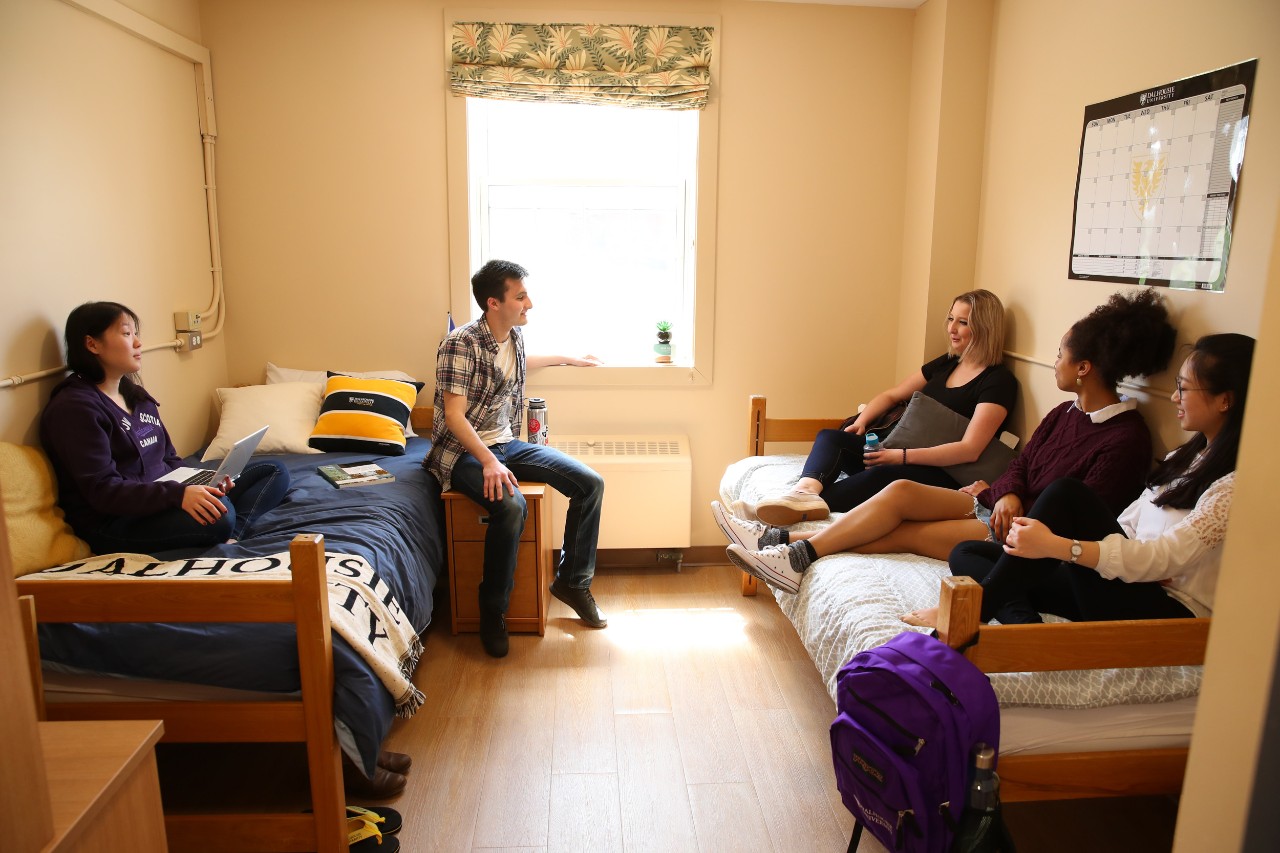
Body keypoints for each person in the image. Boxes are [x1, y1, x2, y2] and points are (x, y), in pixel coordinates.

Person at [714, 288, 1176, 594]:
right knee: (899, 491)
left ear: (1084, 368)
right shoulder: (1064, 414)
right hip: (994, 505)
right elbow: (1021, 466)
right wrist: (1007, 492)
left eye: (1060, 355)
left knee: (902, 533)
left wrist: (1013, 508)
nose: (1055, 362)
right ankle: (779, 536)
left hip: (1021, 536)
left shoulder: (1125, 439)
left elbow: (1081, 512)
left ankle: (793, 553)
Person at [901, 333, 1253, 628]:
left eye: (1184, 388)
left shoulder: (1232, 487)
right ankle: (1024, 626)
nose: (1175, 397)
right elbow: (1127, 525)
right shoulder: (1183, 458)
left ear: (1225, 400)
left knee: (1066, 493)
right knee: (969, 552)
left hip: (1166, 609)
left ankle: (970, 613)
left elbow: (1164, 559)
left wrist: (1059, 547)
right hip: (1126, 577)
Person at [424, 260, 607, 658]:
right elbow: (454, 415)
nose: (530, 303)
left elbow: (522, 363)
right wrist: (489, 462)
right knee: (511, 506)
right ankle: (492, 611)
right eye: (521, 296)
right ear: (494, 303)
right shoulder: (460, 344)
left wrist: (569, 358)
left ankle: (572, 583)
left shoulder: (513, 336)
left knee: (590, 484)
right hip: (465, 451)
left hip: (507, 443)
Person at [40, 301, 290, 555]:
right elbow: (103, 491)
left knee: (273, 470)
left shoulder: (137, 398)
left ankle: (232, 533)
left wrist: (203, 483)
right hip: (118, 520)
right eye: (126, 333)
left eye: (136, 334)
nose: (138, 343)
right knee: (219, 517)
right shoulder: (75, 409)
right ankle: (225, 528)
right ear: (92, 344)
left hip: (164, 497)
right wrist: (178, 495)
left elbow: (169, 458)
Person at [753, 290, 1017, 526]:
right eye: (950, 319)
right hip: (901, 452)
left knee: (882, 476)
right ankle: (803, 493)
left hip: (945, 472)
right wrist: (862, 421)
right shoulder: (948, 363)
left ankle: (797, 509)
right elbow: (892, 395)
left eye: (963, 322)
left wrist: (900, 456)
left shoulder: (998, 381)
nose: (952, 329)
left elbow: (969, 449)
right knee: (830, 438)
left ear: (984, 328)